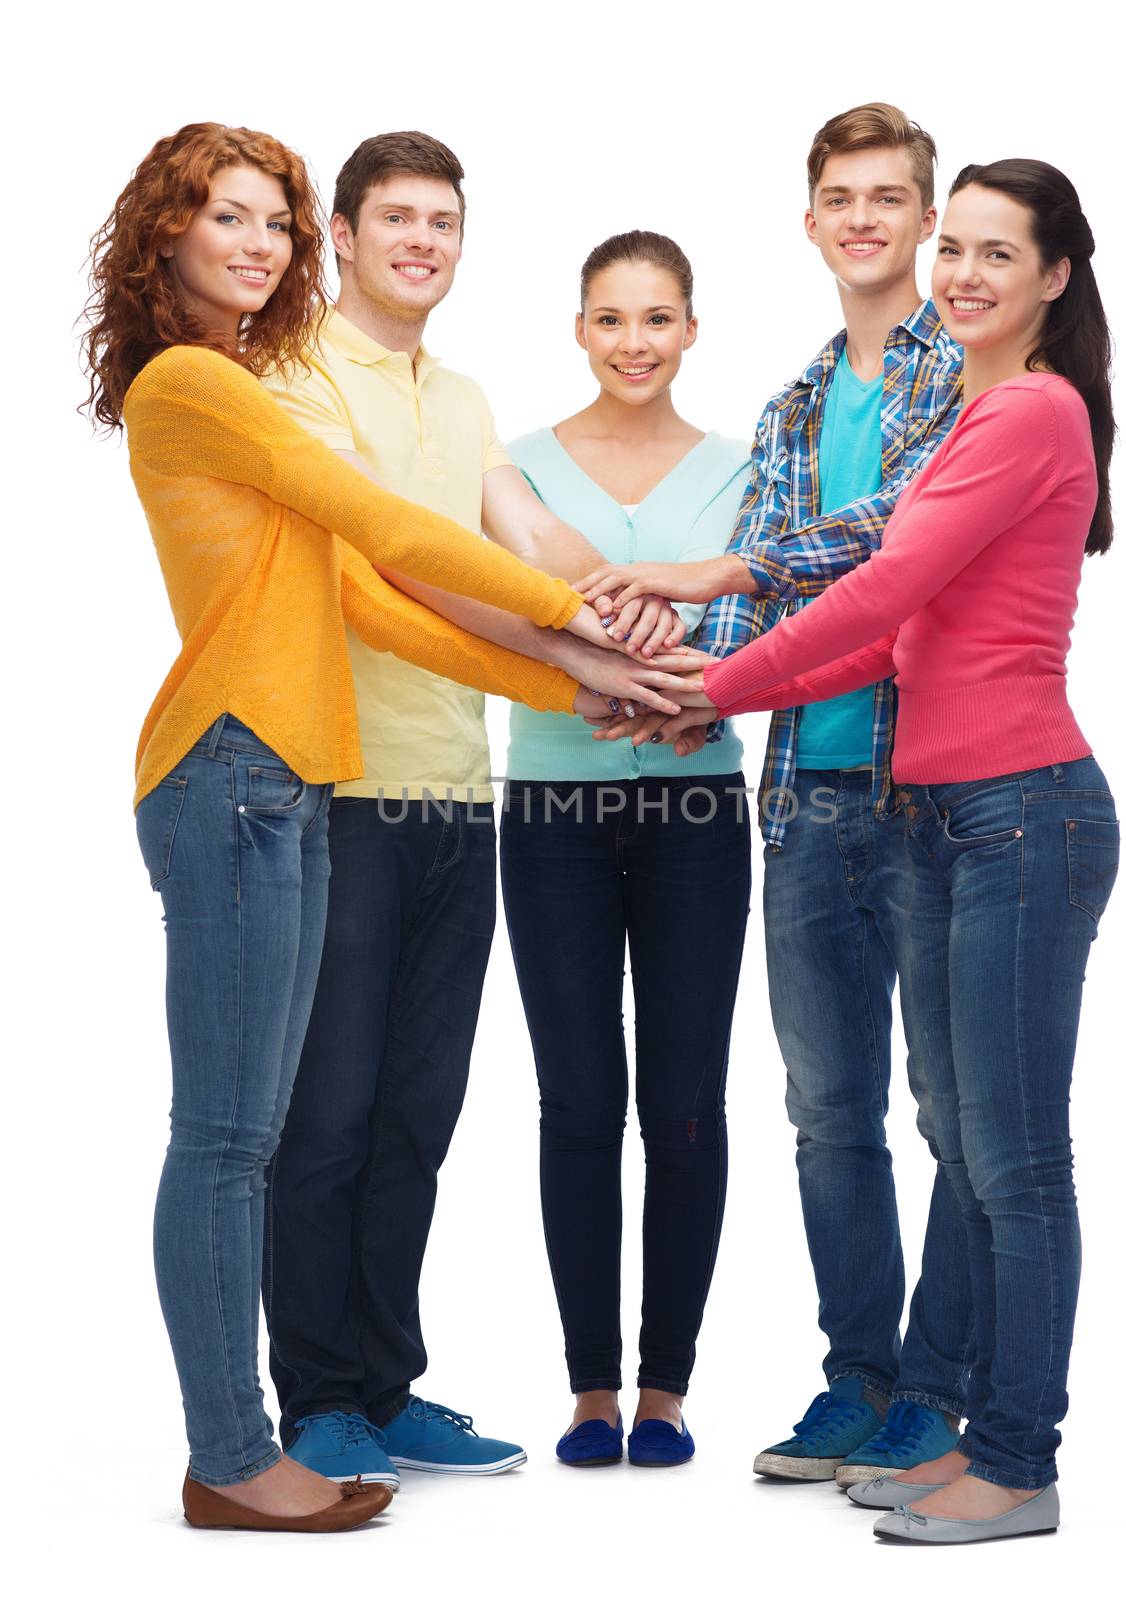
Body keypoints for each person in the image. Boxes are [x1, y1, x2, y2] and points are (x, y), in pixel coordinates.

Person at [83, 121, 681, 1532]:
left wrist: (566, 681)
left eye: (271, 225)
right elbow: (389, 528)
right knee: (232, 1140)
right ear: (164, 238)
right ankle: (234, 1456)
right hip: (229, 769)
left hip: (285, 776)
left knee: (278, 1126)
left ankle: (283, 1431)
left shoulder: (239, 392)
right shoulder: (200, 386)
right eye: (225, 219)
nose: (256, 245)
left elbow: (365, 599)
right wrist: (583, 618)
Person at [662, 158, 1120, 1544]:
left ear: (1052, 277)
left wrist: (707, 683)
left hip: (1019, 817)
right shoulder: (981, 412)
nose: (964, 273)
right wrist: (718, 685)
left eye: (999, 253)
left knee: (1014, 1164)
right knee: (978, 1157)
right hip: (946, 820)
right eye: (956, 250)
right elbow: (883, 635)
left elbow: (883, 583)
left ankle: (1015, 1462)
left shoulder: (1028, 412)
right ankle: (975, 1439)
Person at [260, 137, 687, 1489]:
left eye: (443, 223)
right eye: (396, 219)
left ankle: (386, 1390)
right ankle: (315, 1400)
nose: (422, 243)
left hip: (459, 792)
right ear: (339, 231)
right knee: (323, 1115)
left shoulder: (462, 396)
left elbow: (527, 530)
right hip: (337, 785)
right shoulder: (289, 378)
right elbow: (395, 563)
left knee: (415, 1117)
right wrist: (575, 653)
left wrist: (621, 610)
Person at [578, 104, 973, 1486]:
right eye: (836, 198)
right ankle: (855, 1382)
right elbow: (755, 623)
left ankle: (937, 1388)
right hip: (804, 793)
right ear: (808, 223)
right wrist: (666, 687)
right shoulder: (791, 407)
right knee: (827, 1112)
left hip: (935, 788)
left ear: (925, 219)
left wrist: (720, 583)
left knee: (952, 1110)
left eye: (885, 196)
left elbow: (900, 536)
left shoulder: (966, 375)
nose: (860, 218)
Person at [500, 232, 752, 1468]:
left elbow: (777, 618)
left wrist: (711, 690)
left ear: (692, 329)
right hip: (549, 810)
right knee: (578, 1102)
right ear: (580, 329)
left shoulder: (744, 468)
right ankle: (590, 1388)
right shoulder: (514, 467)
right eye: (611, 319)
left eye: (658, 318)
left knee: (687, 1102)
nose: (635, 342)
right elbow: (501, 615)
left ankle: (667, 1387)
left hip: (701, 809)